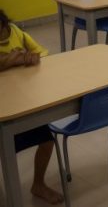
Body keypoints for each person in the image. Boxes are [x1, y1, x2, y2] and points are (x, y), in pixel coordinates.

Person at [0, 10, 63, 204]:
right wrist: (12, 60)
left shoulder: (16, 33)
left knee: (47, 140)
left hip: (21, 103)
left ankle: (38, 184)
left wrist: (33, 57)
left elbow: (41, 52)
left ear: (4, 25)